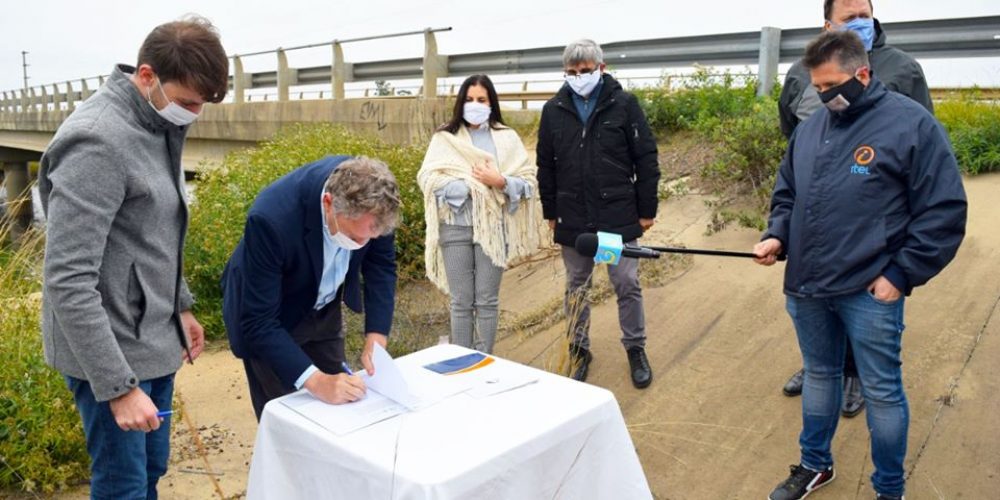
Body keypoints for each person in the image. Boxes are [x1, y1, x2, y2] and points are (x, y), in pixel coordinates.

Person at [755, 31, 966, 500]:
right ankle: (815, 466)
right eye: (817, 88)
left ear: (863, 74)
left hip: (869, 292)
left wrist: (901, 274)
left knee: (882, 392)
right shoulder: (810, 129)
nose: (823, 96)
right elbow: (788, 193)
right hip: (807, 286)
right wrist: (777, 234)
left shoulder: (910, 125)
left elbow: (944, 210)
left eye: (831, 86)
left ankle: (889, 488)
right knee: (820, 377)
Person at [38, 16, 227, 499]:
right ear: (147, 76)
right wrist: (118, 387)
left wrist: (180, 304)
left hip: (155, 332)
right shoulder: (97, 142)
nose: (194, 114)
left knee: (150, 469)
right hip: (109, 347)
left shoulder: (157, 121)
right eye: (188, 102)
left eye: (201, 104)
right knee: (122, 483)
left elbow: (157, 230)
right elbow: (66, 278)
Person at [777, 0, 936, 417]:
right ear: (827, 23)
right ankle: (822, 370)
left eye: (865, 14)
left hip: (872, 227)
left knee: (863, 310)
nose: (861, 22)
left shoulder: (902, 68)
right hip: (818, 225)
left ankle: (856, 374)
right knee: (818, 318)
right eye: (850, 17)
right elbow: (791, 137)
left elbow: (925, 148)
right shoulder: (800, 73)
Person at [221, 156, 400, 420]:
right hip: (271, 316)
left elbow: (381, 267)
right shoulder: (271, 219)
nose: (362, 245)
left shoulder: (377, 202)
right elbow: (259, 321)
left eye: (370, 239)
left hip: (323, 306)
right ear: (329, 204)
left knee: (343, 407)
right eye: (354, 238)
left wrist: (377, 335)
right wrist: (316, 381)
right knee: (290, 420)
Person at [537, 39, 660, 388]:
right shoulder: (554, 110)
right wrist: (551, 210)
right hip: (574, 218)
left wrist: (646, 209)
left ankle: (635, 347)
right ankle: (579, 348)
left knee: (625, 282)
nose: (579, 77)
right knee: (577, 285)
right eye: (572, 72)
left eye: (586, 70)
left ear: (601, 68)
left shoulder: (623, 105)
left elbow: (646, 158)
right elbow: (545, 165)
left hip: (615, 218)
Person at [418, 74, 542, 354]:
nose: (475, 105)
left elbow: (528, 182)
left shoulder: (506, 137)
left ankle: (484, 357)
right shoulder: (445, 138)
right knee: (461, 300)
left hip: (494, 230)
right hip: (455, 226)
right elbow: (428, 178)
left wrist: (499, 182)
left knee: (486, 300)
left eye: (481, 100)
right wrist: (470, 186)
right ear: (461, 102)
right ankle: (461, 357)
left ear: (491, 103)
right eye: (470, 99)